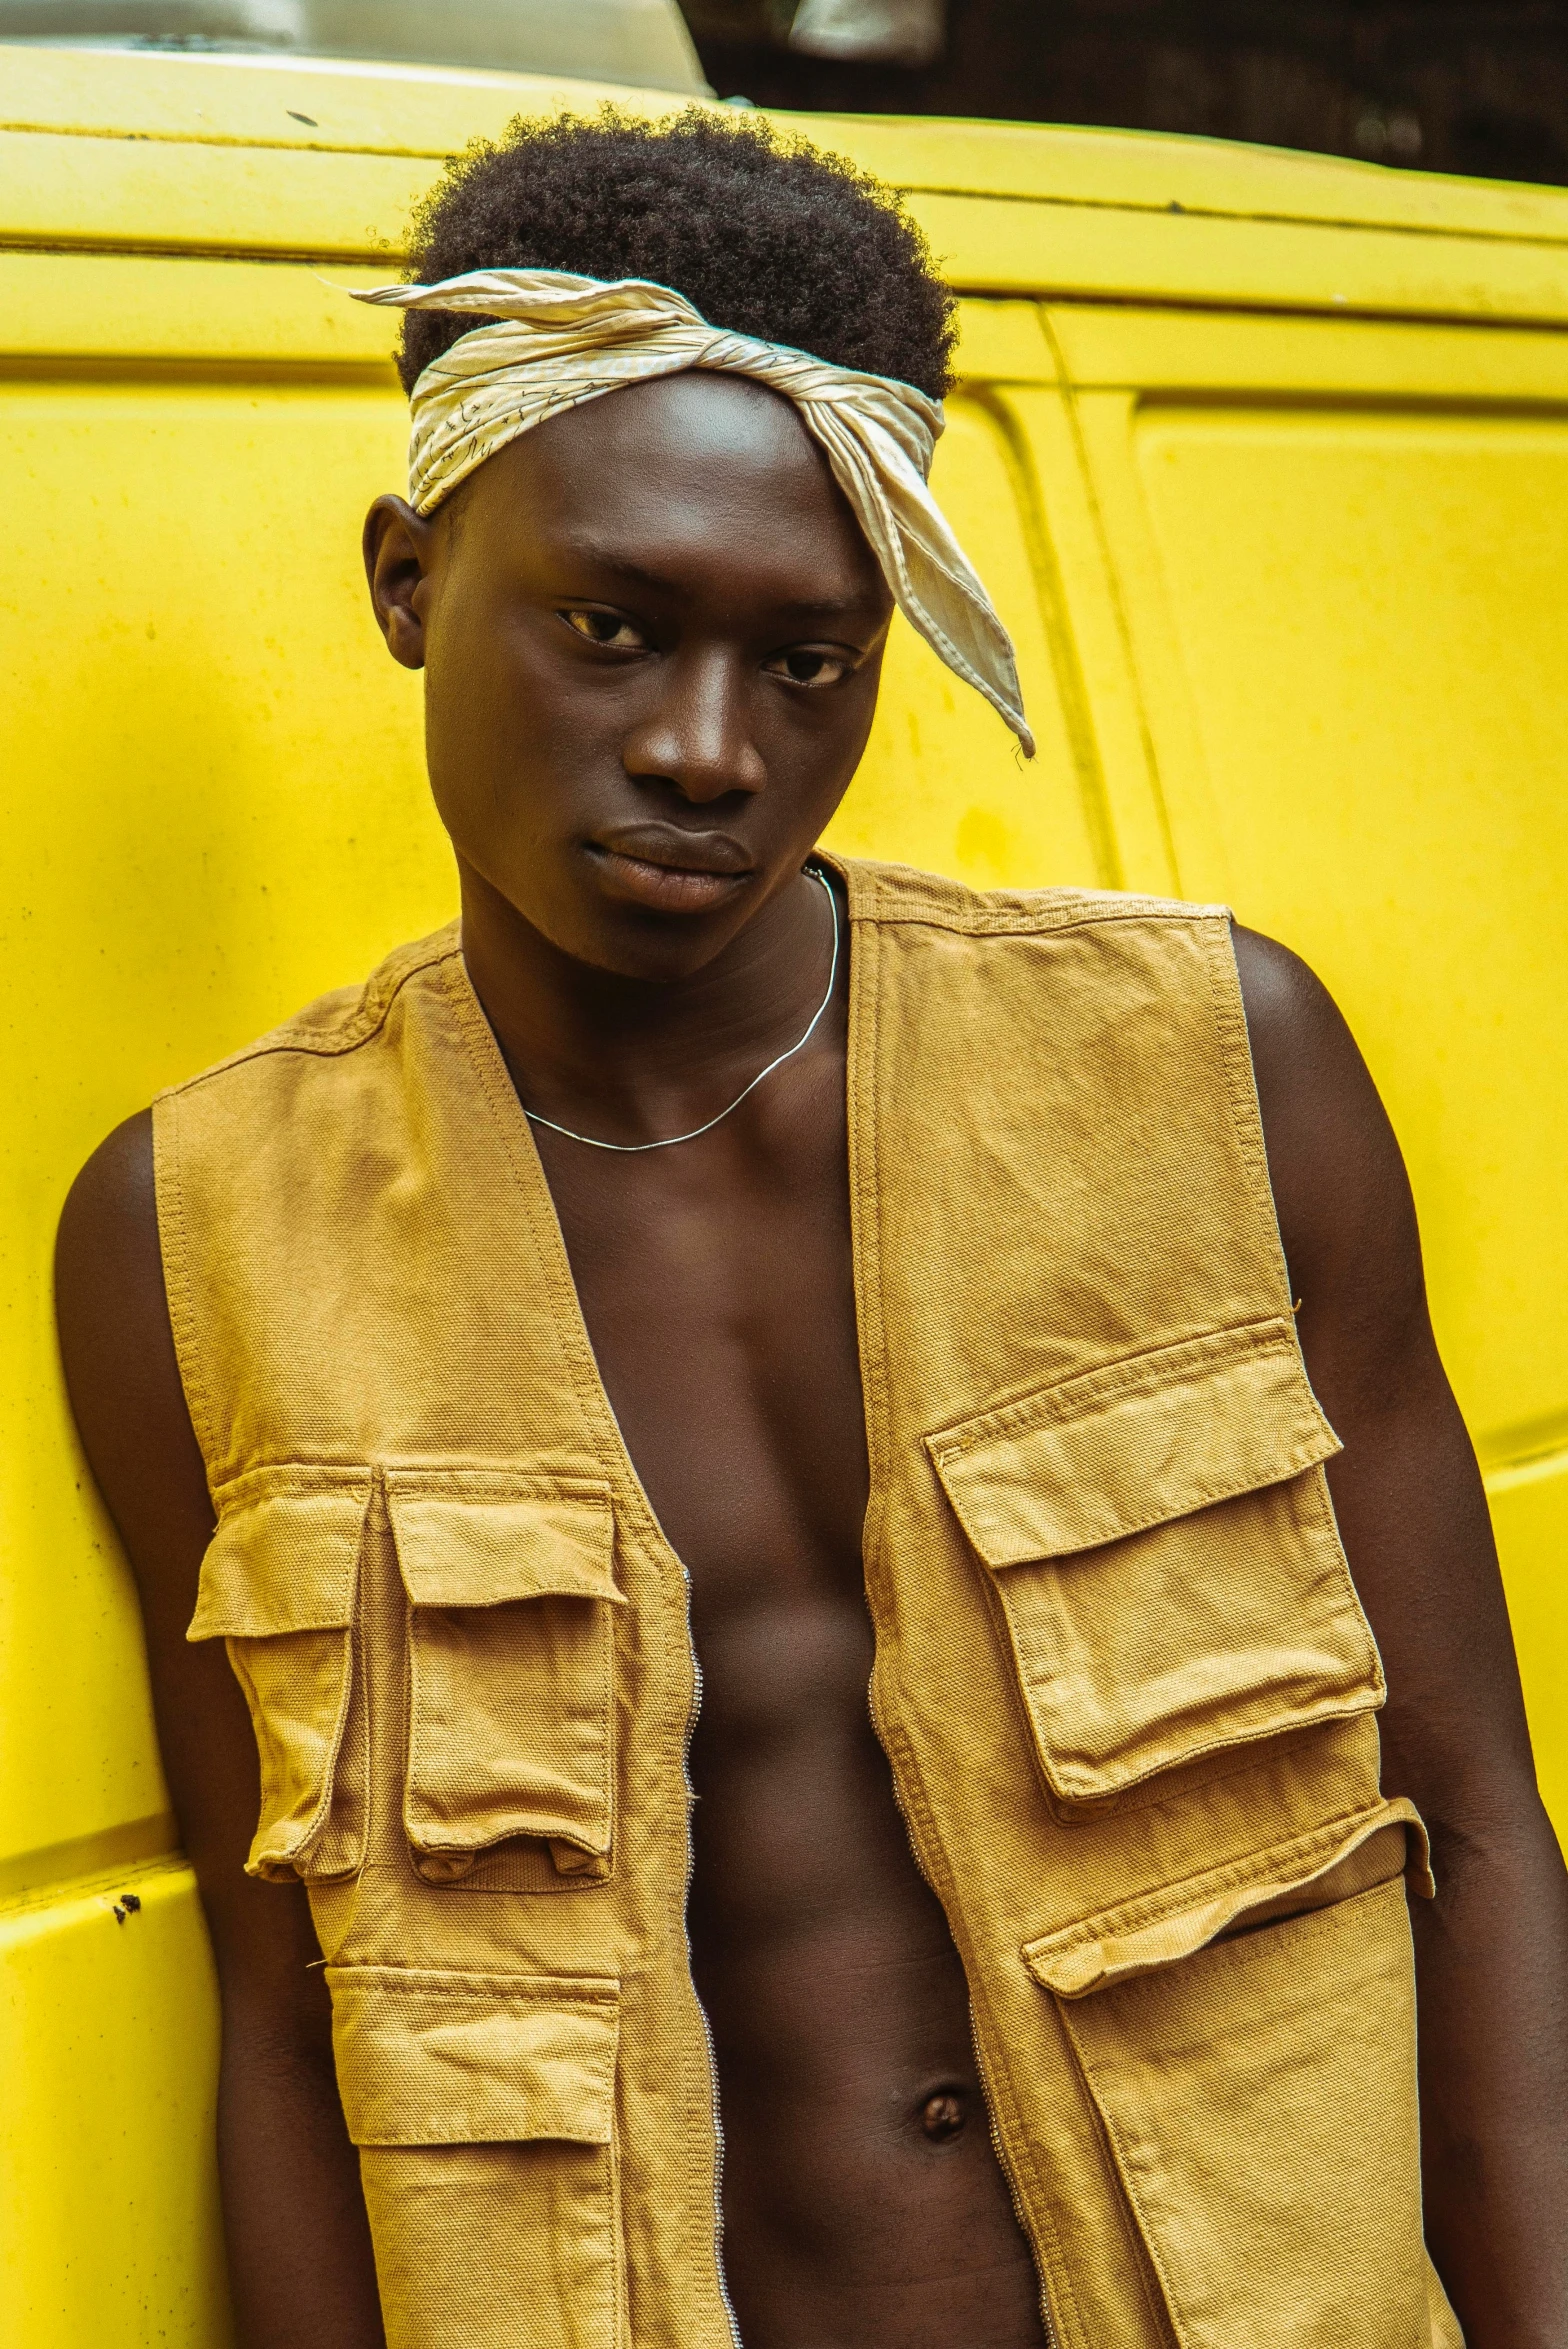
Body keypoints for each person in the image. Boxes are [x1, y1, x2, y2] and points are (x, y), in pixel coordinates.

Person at [54, 108, 1566, 2349]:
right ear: (404, 581)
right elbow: (285, 2026)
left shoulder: (1215, 1069)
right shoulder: (197, 1231)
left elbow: (1473, 1819)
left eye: (808, 663)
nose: (702, 748)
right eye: (611, 622)